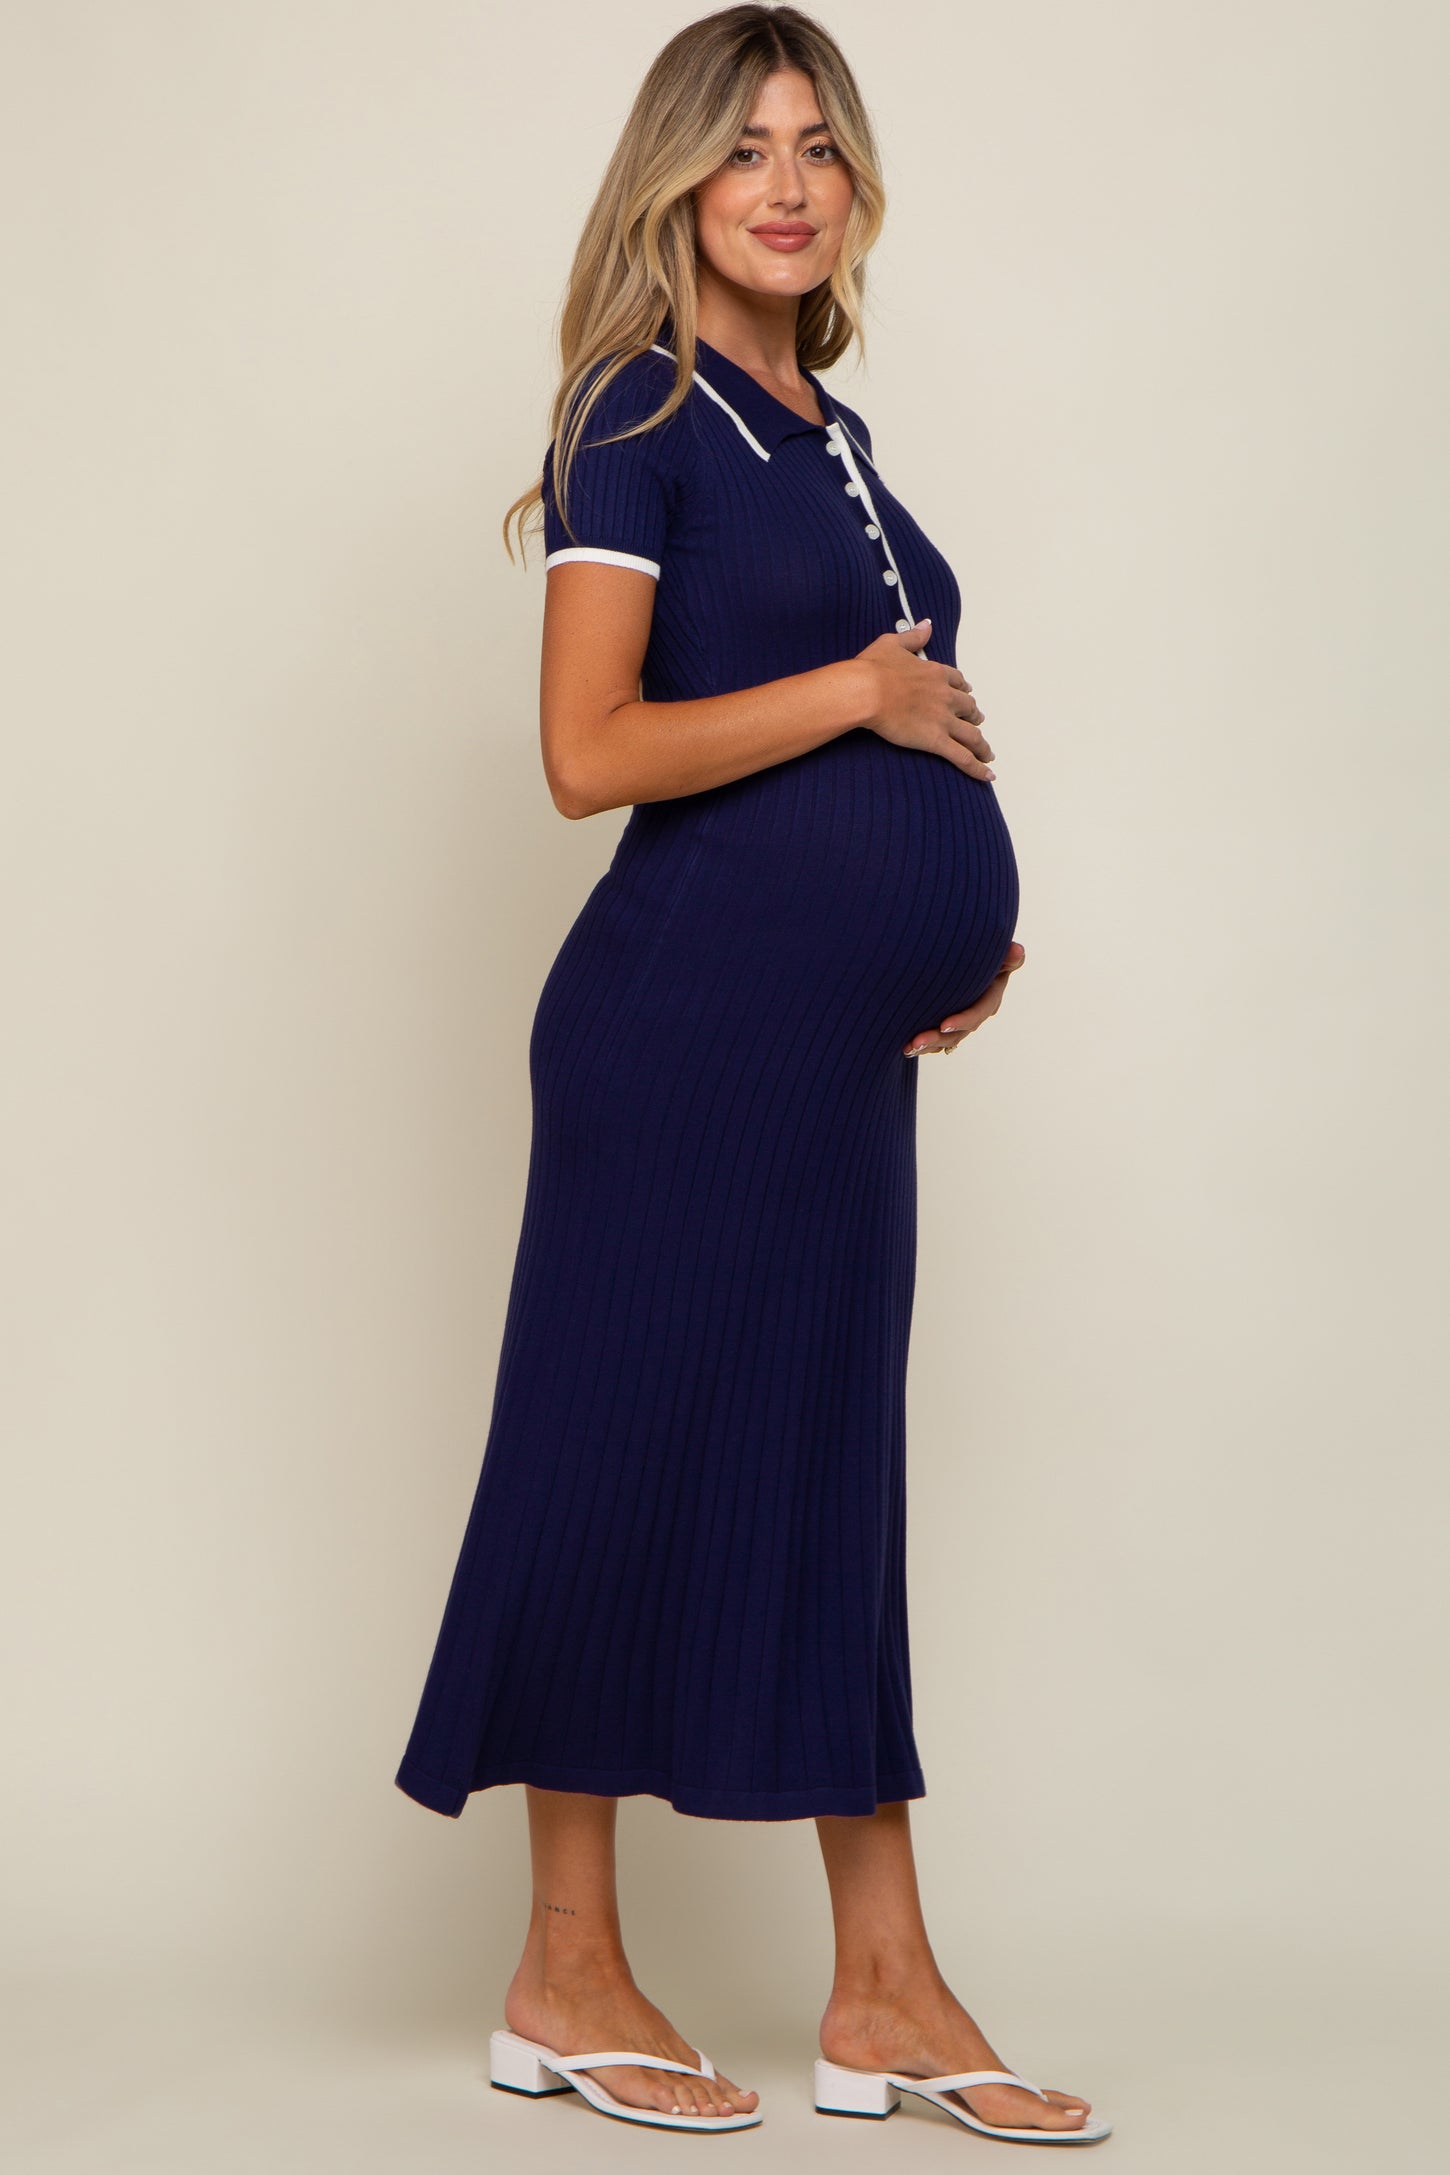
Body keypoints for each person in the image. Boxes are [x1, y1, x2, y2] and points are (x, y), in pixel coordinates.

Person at [395, 2, 1108, 2146]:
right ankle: (563, 1965)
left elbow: (876, 735)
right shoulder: (637, 410)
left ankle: (883, 1988)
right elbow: (585, 751)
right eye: (741, 148)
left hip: (827, 1054)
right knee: (612, 1457)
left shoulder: (832, 428)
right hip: (680, 1036)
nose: (784, 185)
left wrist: (947, 934)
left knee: (820, 1475)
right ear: (675, 183)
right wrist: (861, 709)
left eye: (816, 146)